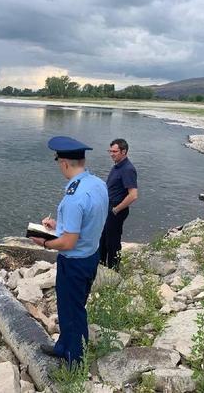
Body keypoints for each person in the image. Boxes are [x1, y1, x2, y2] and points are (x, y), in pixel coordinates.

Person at [29, 136, 108, 364]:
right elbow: (90, 220)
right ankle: (63, 345)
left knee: (73, 313)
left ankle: (75, 362)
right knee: (71, 308)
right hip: (91, 255)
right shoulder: (97, 184)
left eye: (58, 162)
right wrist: (58, 227)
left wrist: (43, 242)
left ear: (63, 162)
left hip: (74, 262)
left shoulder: (75, 197)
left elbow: (67, 243)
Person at [99, 138, 138, 270]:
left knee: (112, 243)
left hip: (116, 210)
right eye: (110, 151)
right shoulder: (117, 166)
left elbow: (133, 195)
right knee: (102, 240)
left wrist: (116, 209)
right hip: (108, 208)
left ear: (124, 151)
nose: (111, 154)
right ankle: (101, 268)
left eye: (114, 151)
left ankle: (113, 271)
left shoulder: (127, 169)